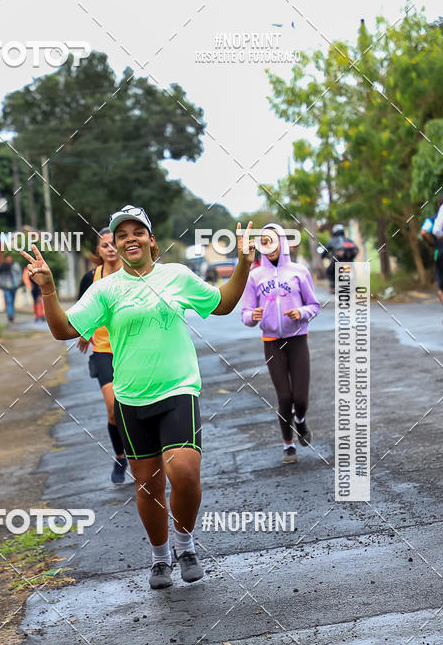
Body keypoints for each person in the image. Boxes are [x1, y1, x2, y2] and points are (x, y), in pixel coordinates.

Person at [20, 205, 255, 590]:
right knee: (147, 486)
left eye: (137, 232)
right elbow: (64, 330)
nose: (130, 238)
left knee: (184, 473)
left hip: (177, 389)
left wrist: (244, 263)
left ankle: (185, 545)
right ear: (115, 245)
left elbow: (223, 303)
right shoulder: (105, 290)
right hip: (131, 398)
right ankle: (160, 557)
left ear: (151, 240)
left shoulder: (176, 276)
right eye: (121, 235)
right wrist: (47, 290)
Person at [241, 224, 320, 464]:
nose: (269, 246)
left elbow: (314, 306)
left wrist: (301, 313)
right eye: (264, 241)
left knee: (301, 399)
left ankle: (300, 421)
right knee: (284, 398)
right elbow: (245, 314)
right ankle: (288, 445)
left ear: (283, 242)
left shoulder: (299, 272)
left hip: (297, 340)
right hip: (272, 343)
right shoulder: (254, 276)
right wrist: (252, 316)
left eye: (273, 240)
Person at [76, 228, 128, 484]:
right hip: (104, 351)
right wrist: (85, 332)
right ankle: (120, 457)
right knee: (113, 409)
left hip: (132, 348)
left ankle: (143, 453)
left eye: (113, 243)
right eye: (104, 244)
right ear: (98, 250)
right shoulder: (90, 278)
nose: (110, 248)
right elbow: (82, 311)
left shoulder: (132, 273)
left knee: (135, 406)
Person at [424, 197, 443, 309]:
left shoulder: (432, 219)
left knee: (440, 282)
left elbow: (423, 232)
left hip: (439, 251)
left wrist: (431, 243)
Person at [0, 254, 23, 322]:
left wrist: (18, 283)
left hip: (14, 286)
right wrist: (1, 284)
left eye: (10, 258)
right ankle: (10, 315)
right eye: (8, 258)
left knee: (12, 301)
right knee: (9, 300)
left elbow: (19, 274)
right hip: (6, 287)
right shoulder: (2, 266)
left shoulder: (15, 265)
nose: (9, 260)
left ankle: (11, 313)